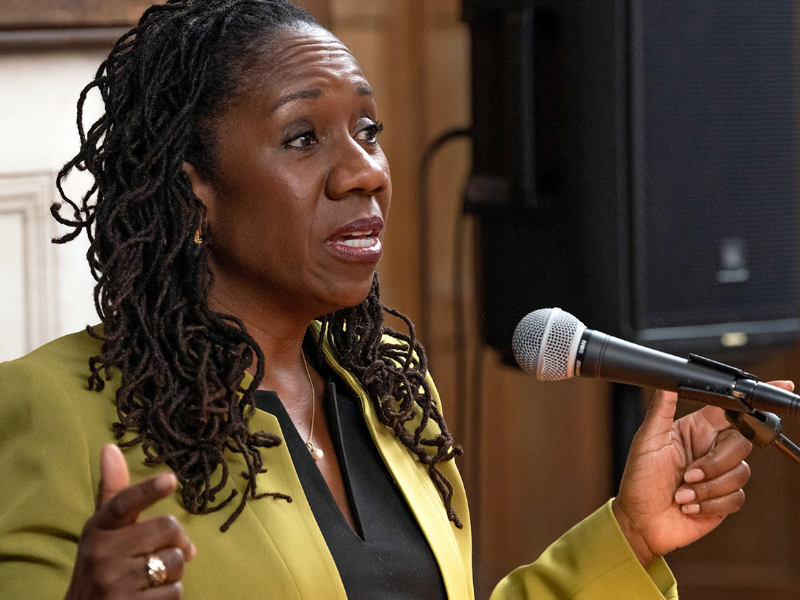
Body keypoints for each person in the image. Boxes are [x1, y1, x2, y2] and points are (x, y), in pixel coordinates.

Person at [0, 0, 790, 598]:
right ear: (193, 186)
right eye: (303, 138)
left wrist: (632, 534)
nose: (365, 172)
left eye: (367, 130)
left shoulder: (386, 382)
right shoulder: (55, 410)